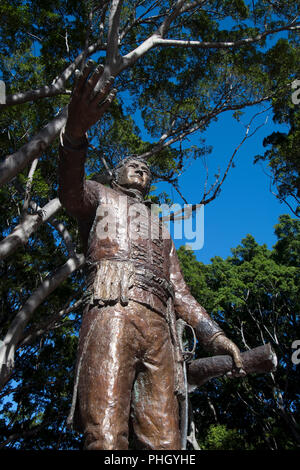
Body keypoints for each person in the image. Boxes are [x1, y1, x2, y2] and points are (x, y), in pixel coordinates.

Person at [58, 62, 244, 450]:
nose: (141, 170)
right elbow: (69, 190)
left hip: (160, 327)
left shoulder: (161, 228)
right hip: (113, 308)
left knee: (166, 443)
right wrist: (75, 134)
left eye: (145, 168)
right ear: (115, 175)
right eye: (132, 165)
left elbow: (181, 291)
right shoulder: (99, 196)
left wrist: (215, 335)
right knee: (105, 434)